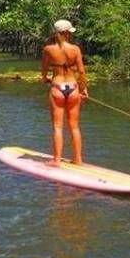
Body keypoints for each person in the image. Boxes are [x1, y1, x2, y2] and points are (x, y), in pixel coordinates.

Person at [41, 19, 88, 166]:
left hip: (57, 88)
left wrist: (45, 79)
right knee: (74, 126)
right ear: (67, 33)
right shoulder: (75, 49)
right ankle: (78, 159)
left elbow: (44, 71)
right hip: (73, 88)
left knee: (58, 126)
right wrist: (84, 89)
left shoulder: (48, 50)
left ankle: (56, 160)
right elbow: (81, 72)